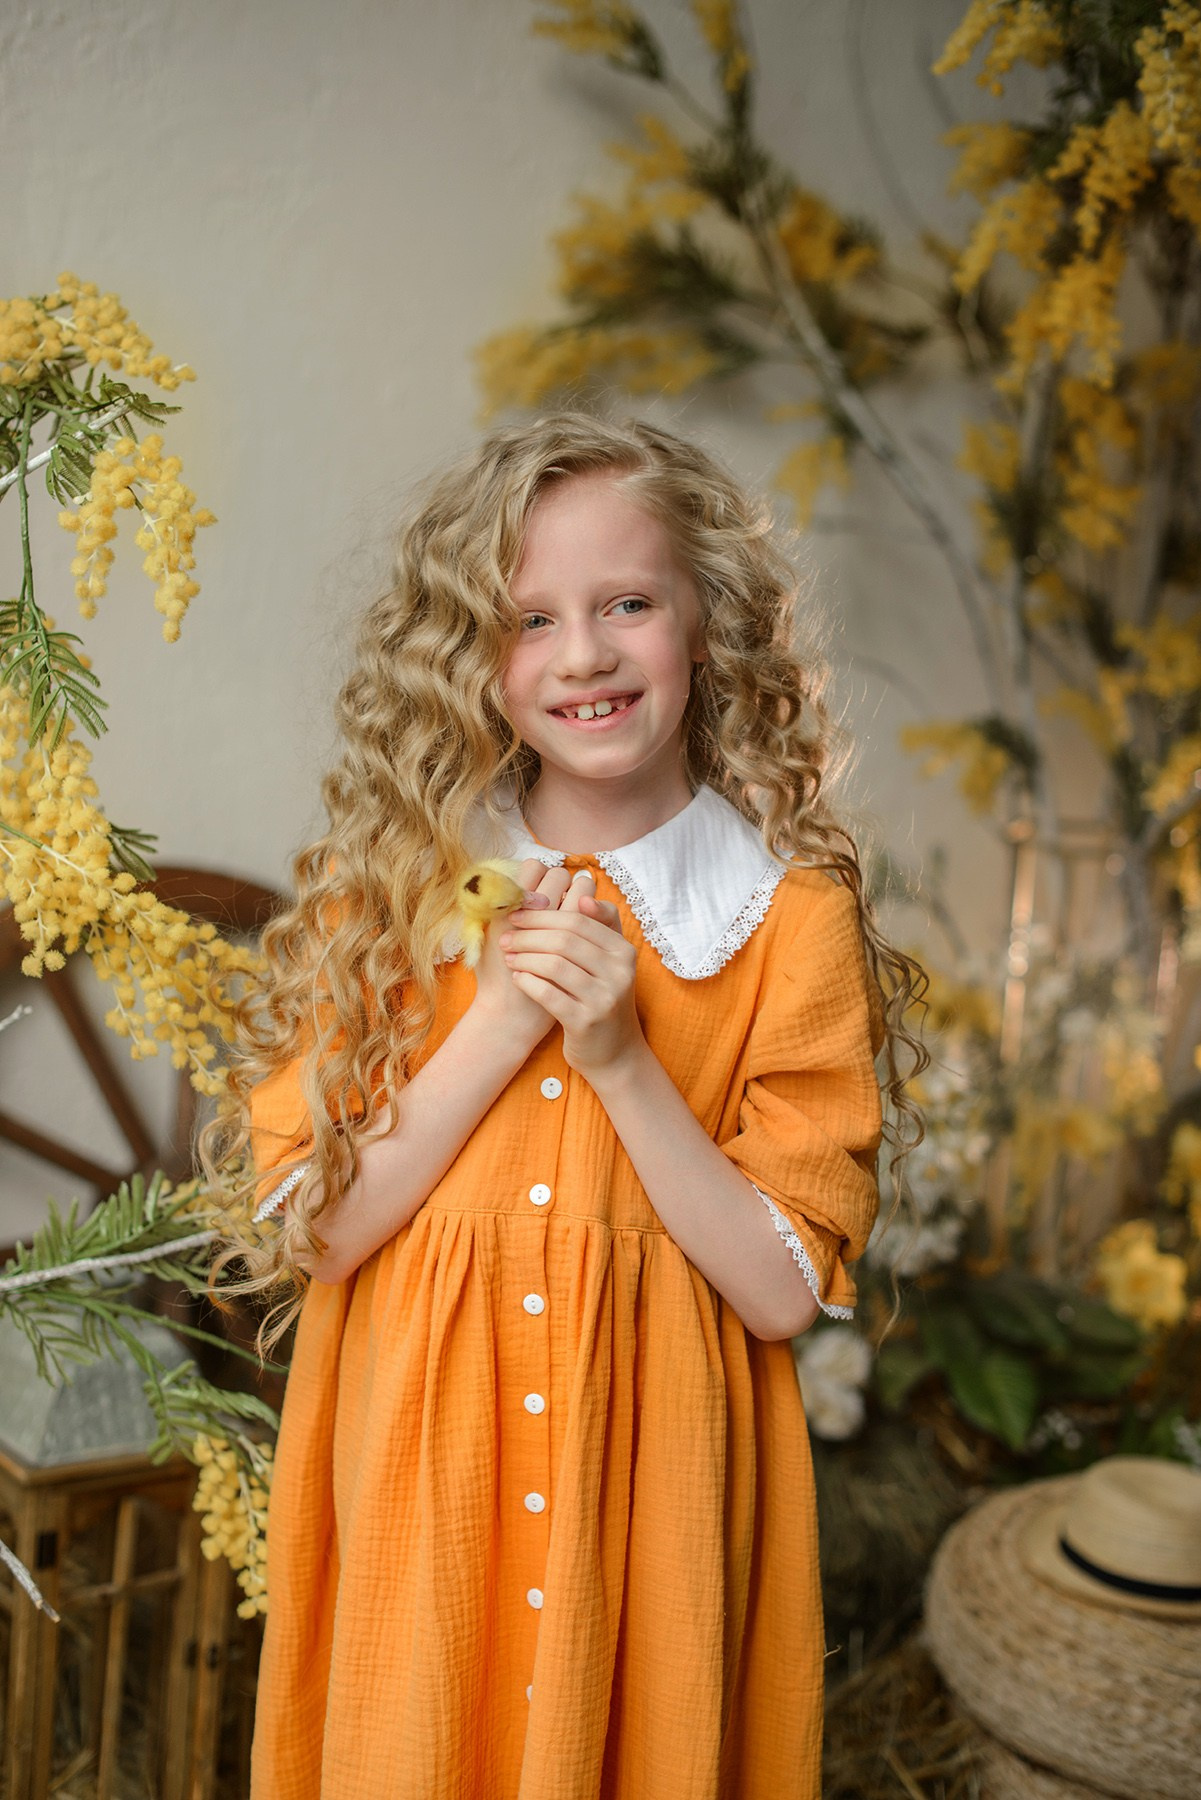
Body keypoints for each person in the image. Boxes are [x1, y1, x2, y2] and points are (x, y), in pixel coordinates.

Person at [205, 411, 926, 1800]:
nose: (582, 654)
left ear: (707, 622)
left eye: (627, 605)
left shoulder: (785, 923)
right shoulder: (396, 890)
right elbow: (312, 1231)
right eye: (529, 619)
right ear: (469, 656)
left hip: (651, 1496)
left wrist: (622, 1061)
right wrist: (498, 1022)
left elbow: (782, 1291)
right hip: (426, 1484)